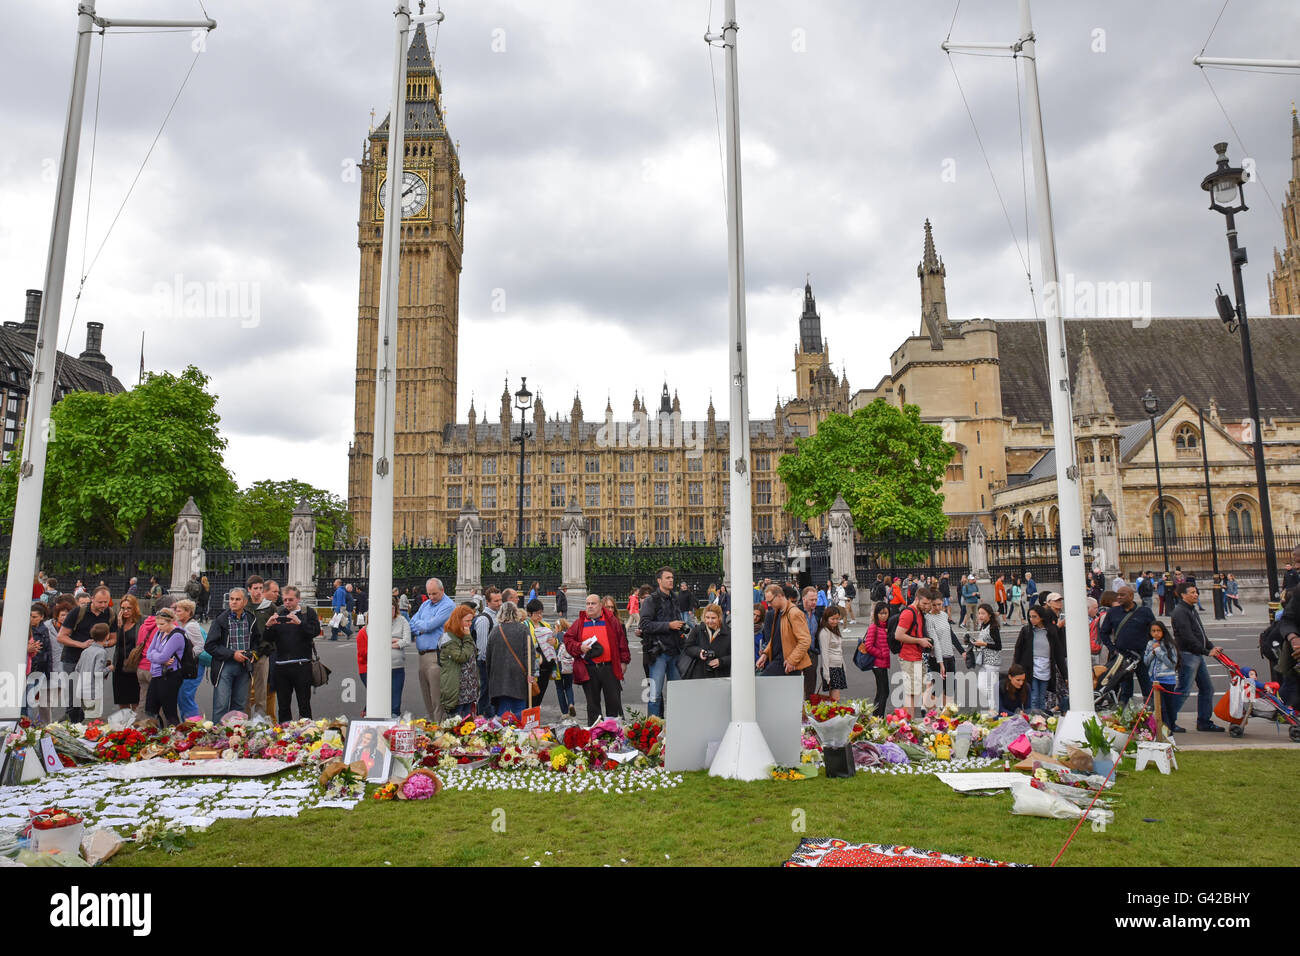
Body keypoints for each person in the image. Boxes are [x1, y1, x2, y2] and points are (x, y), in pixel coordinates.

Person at [1168, 581, 1224, 733]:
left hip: (1196, 654)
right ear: (1183, 595)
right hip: (1188, 655)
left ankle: (1204, 721)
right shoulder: (1180, 612)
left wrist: (1211, 647)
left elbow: (1200, 634)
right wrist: (1206, 651)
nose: (1196, 594)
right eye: (1192, 592)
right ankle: (1168, 722)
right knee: (1183, 690)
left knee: (1207, 689)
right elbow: (1187, 637)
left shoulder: (1191, 610)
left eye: (1196, 592)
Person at [564, 594, 630, 721]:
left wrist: (624, 661)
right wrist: (579, 647)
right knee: (592, 705)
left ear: (600, 605)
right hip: (589, 669)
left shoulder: (611, 621)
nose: (590, 606)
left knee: (613, 702)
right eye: (587, 604)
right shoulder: (580, 622)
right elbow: (568, 640)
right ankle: (595, 736)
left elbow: (622, 642)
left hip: (609, 668)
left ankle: (612, 734)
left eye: (593, 603)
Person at [263, 585, 323, 721]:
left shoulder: (308, 613)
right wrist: (268, 626)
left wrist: (300, 623)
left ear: (298, 599)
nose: (287, 603)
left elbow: (314, 632)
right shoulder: (279, 613)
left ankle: (307, 734)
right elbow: (268, 638)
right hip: (281, 666)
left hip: (302, 665)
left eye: (290, 600)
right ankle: (285, 736)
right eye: (285, 600)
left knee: (304, 704)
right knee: (283, 706)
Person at [205, 587, 265, 721]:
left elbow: (257, 642)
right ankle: (218, 738)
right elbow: (210, 645)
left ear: (245, 601)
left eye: (237, 599)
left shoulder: (251, 619)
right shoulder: (221, 619)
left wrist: (252, 654)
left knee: (239, 706)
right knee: (221, 705)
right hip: (224, 667)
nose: (233, 602)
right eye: (231, 599)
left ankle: (235, 736)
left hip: (244, 668)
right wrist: (232, 654)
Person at [639, 567, 687, 718]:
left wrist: (680, 627)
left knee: (677, 694)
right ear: (659, 581)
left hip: (675, 652)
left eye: (672, 577)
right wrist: (668, 625)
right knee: (654, 695)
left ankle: (677, 724)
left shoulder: (675, 598)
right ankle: (654, 728)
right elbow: (644, 624)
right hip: (659, 653)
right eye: (667, 578)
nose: (671, 580)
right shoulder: (651, 600)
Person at [1098, 585, 1156, 705]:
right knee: (1125, 689)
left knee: (1147, 687)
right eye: (1117, 595)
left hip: (1141, 655)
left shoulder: (1144, 612)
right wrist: (1112, 649)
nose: (1119, 597)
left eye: (1122, 595)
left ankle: (1150, 715)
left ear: (1131, 596)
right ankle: (1124, 714)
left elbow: (1154, 631)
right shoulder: (1113, 612)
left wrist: (1152, 647)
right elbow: (1104, 633)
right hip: (1122, 657)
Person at [408, 577, 455, 722]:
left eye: (435, 593)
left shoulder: (448, 605)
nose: (432, 597)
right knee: (426, 696)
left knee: (437, 698)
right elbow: (412, 622)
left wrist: (422, 627)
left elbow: (429, 626)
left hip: (436, 655)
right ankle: (433, 727)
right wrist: (422, 627)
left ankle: (440, 727)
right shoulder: (426, 605)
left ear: (442, 590)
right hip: (422, 655)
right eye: (429, 594)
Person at [756, 584, 813, 697]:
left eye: (770, 601)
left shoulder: (794, 613)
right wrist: (765, 654)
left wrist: (792, 660)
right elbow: (777, 638)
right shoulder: (779, 611)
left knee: (762, 688)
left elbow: (805, 640)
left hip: (787, 663)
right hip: (781, 661)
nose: (769, 604)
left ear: (780, 596)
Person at [1013, 605, 1067, 713]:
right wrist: (1015, 668)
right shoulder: (1026, 631)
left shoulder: (1051, 631)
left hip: (1046, 667)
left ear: (1041, 617)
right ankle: (1033, 719)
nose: (1031, 619)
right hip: (1030, 667)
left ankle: (1041, 720)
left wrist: (1065, 675)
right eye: (1030, 617)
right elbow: (1018, 650)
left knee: (1042, 696)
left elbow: (1058, 654)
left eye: (1034, 617)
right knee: (1033, 696)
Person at [56, 585, 117, 677]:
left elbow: (114, 639)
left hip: (95, 661)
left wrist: (103, 644)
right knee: (70, 689)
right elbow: (61, 637)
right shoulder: (77, 612)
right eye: (100, 602)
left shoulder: (111, 614)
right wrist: (82, 644)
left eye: (106, 602)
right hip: (72, 659)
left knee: (92, 690)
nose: (103, 605)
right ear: (92, 599)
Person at [893, 588, 935, 716]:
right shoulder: (908, 613)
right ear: (917, 599)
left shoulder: (919, 612)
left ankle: (913, 722)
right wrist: (919, 641)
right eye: (924, 603)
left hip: (916, 656)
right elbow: (898, 635)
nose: (927, 606)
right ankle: (908, 725)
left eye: (929, 604)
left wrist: (923, 641)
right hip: (908, 657)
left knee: (917, 691)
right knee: (911, 693)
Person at [144, 607, 188, 727]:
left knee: (169, 710)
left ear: (171, 621)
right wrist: (158, 658)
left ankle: (176, 736)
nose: (159, 627)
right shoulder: (159, 632)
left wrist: (157, 657)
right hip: (157, 674)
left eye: (162, 624)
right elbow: (149, 653)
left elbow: (163, 656)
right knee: (151, 708)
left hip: (170, 676)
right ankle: (156, 733)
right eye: (157, 624)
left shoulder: (177, 635)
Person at [439, 604, 477, 720]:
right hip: (457, 688)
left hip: (468, 688)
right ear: (458, 620)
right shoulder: (449, 638)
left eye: (471, 621)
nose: (470, 624)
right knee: (456, 722)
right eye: (467, 621)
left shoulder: (463, 635)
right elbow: (461, 657)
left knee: (468, 722)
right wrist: (467, 638)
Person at [69, 621, 112, 722]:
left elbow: (77, 668)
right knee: (92, 719)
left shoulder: (85, 651)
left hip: (81, 689)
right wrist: (109, 668)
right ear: (107, 636)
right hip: (93, 691)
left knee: (87, 715)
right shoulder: (101, 652)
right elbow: (98, 673)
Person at [471, 586, 503, 717]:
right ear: (488, 602)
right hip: (486, 664)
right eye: (496, 601)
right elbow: (482, 649)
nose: (500, 603)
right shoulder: (484, 620)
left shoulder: (497, 617)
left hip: (495, 663)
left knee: (493, 695)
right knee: (486, 694)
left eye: (500, 600)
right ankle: (483, 720)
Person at [1143, 621, 1180, 733]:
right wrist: (1153, 652)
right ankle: (1166, 730)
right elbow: (1146, 661)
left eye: (1158, 631)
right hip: (1154, 680)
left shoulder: (1169, 644)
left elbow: (1172, 664)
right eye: (1153, 631)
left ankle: (1171, 726)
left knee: (1169, 706)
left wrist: (1159, 651)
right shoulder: (1150, 644)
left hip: (1167, 680)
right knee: (1160, 707)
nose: (1156, 634)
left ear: (1163, 631)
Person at [174, 599, 206, 721]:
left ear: (188, 612)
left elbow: (200, 646)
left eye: (179, 610)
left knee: (185, 696)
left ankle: (193, 724)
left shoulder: (191, 626)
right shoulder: (187, 625)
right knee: (184, 696)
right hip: (193, 665)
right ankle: (189, 723)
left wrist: (187, 656)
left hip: (194, 666)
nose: (176, 613)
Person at [681, 603, 730, 680]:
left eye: (713, 618)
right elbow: (687, 648)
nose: (710, 621)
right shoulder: (697, 630)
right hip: (699, 674)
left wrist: (721, 661)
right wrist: (699, 652)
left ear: (719, 618)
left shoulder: (728, 633)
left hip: (720, 675)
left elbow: (735, 656)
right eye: (707, 617)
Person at [924, 599, 958, 708]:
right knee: (937, 689)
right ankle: (930, 716)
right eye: (934, 605)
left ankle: (946, 717)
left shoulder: (944, 615)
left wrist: (961, 651)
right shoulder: (928, 618)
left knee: (949, 689)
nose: (937, 607)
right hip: (937, 658)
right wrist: (941, 663)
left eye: (939, 604)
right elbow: (936, 642)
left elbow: (949, 635)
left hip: (949, 656)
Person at [110, 595, 143, 710]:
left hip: (135, 664)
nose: (126, 611)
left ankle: (136, 726)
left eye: (129, 608)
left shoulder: (141, 621)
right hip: (120, 665)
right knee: (122, 700)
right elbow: (114, 642)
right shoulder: (117, 622)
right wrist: (119, 625)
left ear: (135, 608)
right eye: (123, 608)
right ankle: (125, 726)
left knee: (136, 701)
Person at [859, 602, 892, 717]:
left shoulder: (885, 627)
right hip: (878, 664)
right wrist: (882, 654)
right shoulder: (874, 627)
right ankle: (879, 717)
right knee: (884, 692)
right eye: (881, 613)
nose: (883, 615)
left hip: (883, 664)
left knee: (881, 692)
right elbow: (868, 646)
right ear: (876, 614)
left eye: (886, 613)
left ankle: (876, 716)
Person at [971, 603, 1003, 716]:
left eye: (983, 613)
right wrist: (975, 643)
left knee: (990, 689)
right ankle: (991, 710)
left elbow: (998, 646)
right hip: (984, 661)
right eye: (979, 613)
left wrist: (983, 643)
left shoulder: (993, 627)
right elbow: (985, 643)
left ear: (989, 614)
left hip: (992, 662)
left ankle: (993, 712)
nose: (980, 616)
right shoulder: (983, 626)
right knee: (981, 686)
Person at [815, 605, 847, 701]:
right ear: (826, 618)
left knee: (833, 699)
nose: (835, 621)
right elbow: (824, 654)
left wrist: (843, 666)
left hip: (838, 666)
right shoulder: (824, 632)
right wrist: (826, 674)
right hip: (830, 668)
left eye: (837, 619)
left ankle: (833, 715)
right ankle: (835, 715)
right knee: (835, 699)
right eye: (832, 619)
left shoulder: (834, 630)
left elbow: (840, 651)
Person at [797, 586, 823, 699]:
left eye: (815, 599)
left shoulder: (818, 613)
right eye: (811, 600)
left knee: (811, 682)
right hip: (798, 652)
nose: (814, 602)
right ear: (804, 599)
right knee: (797, 682)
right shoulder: (796, 612)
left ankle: (808, 709)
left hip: (812, 652)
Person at [553, 617, 576, 717]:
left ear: (558, 627)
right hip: (568, 665)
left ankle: (565, 712)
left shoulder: (555, 636)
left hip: (557, 665)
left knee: (559, 688)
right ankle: (571, 703)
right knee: (569, 686)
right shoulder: (569, 636)